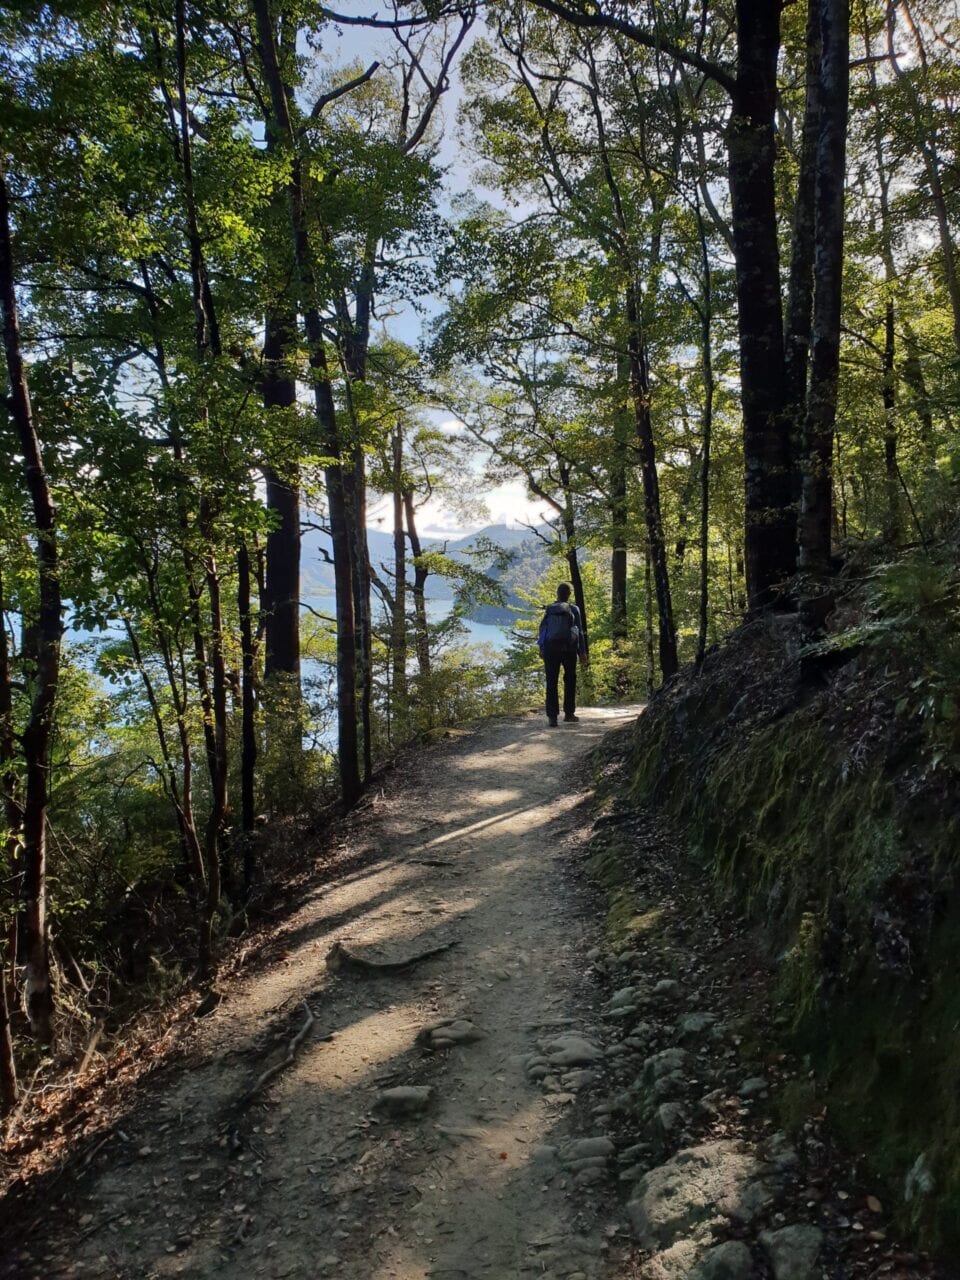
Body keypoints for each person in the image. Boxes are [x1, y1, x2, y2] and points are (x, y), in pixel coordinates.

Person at [537, 582, 587, 727]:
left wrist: (541, 647)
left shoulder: (550, 609)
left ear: (557, 594)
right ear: (569, 594)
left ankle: (552, 717)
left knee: (551, 681)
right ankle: (569, 714)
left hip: (551, 649)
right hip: (569, 649)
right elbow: (580, 633)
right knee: (570, 679)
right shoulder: (574, 609)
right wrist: (582, 652)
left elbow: (543, 629)